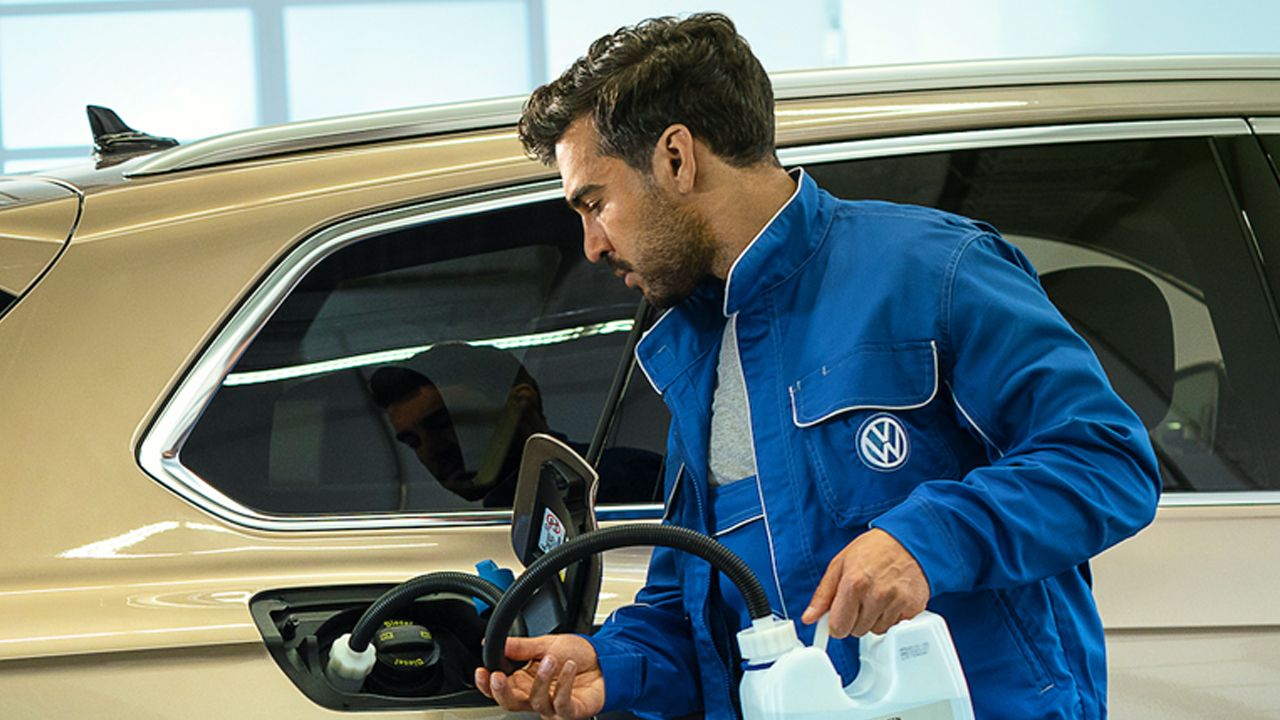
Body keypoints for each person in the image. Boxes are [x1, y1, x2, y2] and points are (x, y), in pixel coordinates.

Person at [476, 13, 1160, 720]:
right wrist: (615, 665)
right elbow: (701, 608)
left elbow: (1106, 460)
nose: (592, 244)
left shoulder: (933, 271)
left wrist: (924, 542)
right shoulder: (699, 352)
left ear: (677, 158)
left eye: (595, 202)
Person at [371, 342, 656, 507]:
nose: (432, 450)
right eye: (413, 442)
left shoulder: (630, 483)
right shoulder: (496, 519)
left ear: (521, 403)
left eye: (445, 423)